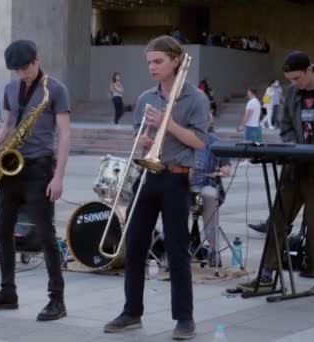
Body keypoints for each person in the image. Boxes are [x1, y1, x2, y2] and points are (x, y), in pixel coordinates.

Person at [103, 35, 209, 340]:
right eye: (149, 62)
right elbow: (139, 134)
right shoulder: (146, 97)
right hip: (147, 176)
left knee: (176, 251)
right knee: (135, 246)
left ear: (176, 61)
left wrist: (167, 123)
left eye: (158, 61)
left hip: (176, 177)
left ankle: (184, 318)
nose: (152, 67)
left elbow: (199, 141)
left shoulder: (196, 99)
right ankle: (131, 312)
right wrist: (146, 140)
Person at [238, 50, 314, 295]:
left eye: (297, 78)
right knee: (278, 219)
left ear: (310, 70)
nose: (294, 84)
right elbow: (285, 127)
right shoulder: (292, 93)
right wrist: (296, 145)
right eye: (290, 80)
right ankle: (266, 275)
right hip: (295, 166)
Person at [0, 40, 71, 322]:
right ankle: (7, 292)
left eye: (25, 68)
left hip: (40, 167)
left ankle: (57, 300)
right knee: (2, 229)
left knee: (45, 234)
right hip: (11, 167)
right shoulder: (11, 88)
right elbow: (8, 124)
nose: (21, 75)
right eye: (16, 70)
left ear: (36, 60)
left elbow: (64, 134)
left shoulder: (56, 89)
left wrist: (59, 176)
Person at [189, 117, 231, 267]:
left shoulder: (215, 141)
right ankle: (172, 248)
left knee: (209, 194)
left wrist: (223, 170)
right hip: (184, 187)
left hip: (206, 185)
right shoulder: (184, 137)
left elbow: (226, 168)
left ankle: (214, 249)